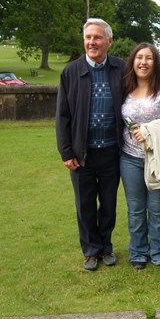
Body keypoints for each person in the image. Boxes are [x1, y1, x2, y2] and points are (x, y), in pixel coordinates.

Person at [56, 18, 125, 271]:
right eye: (88, 37)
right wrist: (66, 151)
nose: (92, 42)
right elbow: (62, 116)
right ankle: (91, 250)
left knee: (108, 203)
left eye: (97, 37)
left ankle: (106, 246)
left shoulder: (121, 68)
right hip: (81, 154)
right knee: (84, 205)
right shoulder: (70, 72)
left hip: (112, 152)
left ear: (109, 41)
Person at [119, 43, 160, 270]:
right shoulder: (124, 89)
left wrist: (148, 130)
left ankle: (159, 252)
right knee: (135, 209)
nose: (143, 62)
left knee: (157, 209)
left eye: (149, 58)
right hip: (129, 159)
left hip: (157, 159)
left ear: (156, 63)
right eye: (139, 58)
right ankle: (137, 252)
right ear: (133, 62)